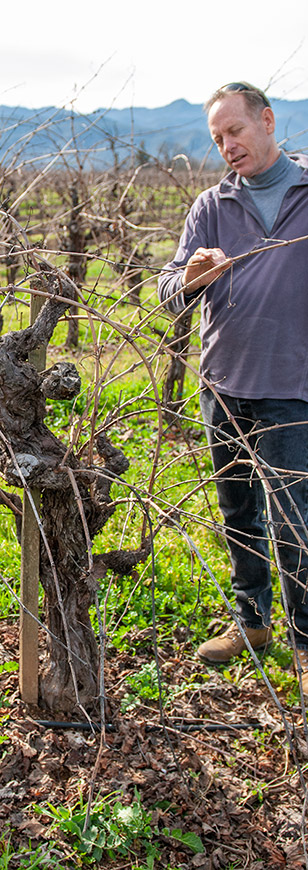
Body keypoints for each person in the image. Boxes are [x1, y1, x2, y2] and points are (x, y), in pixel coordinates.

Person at [158, 82, 308, 693]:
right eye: (218, 138)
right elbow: (168, 291)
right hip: (223, 385)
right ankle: (252, 621)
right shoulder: (211, 206)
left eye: (236, 131)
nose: (228, 146)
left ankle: (305, 643)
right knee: (238, 514)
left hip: (293, 385)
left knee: (297, 519)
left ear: (267, 121)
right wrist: (191, 276)